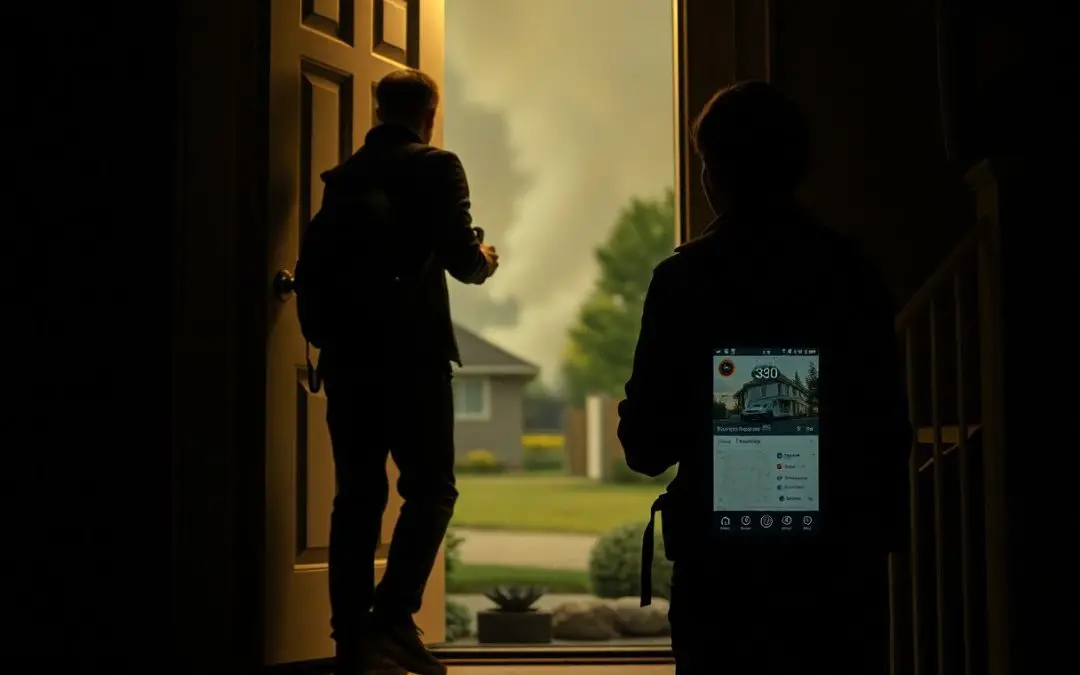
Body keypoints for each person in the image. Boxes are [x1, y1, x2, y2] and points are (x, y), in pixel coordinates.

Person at [617, 81, 911, 674]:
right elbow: (886, 429)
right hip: (838, 578)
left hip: (724, 585)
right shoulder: (854, 275)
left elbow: (646, 446)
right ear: (798, 167)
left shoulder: (685, 282)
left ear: (714, 174)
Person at [316, 69, 499, 675]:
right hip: (412, 358)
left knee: (357, 497)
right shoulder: (437, 166)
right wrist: (486, 256)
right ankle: (392, 619)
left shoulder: (343, 179)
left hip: (346, 359)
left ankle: (350, 642)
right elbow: (462, 263)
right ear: (429, 111)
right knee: (431, 489)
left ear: (376, 110)